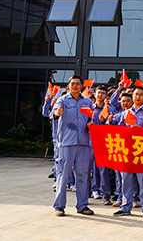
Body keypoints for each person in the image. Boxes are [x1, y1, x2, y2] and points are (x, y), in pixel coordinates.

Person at [51, 74, 94, 216]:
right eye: (72, 83)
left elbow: (91, 118)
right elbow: (53, 113)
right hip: (66, 143)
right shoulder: (62, 100)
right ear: (68, 86)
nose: (75, 86)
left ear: (82, 86)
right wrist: (57, 113)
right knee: (63, 175)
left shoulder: (87, 102)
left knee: (83, 175)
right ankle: (59, 206)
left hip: (83, 143)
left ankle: (82, 205)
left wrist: (91, 124)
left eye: (77, 84)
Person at [114, 85, 143, 218]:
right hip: (128, 150)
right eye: (135, 94)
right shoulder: (126, 113)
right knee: (126, 180)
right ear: (132, 96)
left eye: (140, 94)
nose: (137, 96)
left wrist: (140, 130)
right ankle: (125, 206)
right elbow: (119, 129)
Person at [91, 86, 113, 205]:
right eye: (98, 93)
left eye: (103, 93)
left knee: (104, 169)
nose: (100, 95)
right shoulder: (90, 108)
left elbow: (114, 126)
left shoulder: (110, 110)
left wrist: (106, 121)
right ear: (95, 94)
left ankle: (105, 194)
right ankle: (93, 189)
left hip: (105, 143)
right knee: (88, 168)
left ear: (106, 96)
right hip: (90, 142)